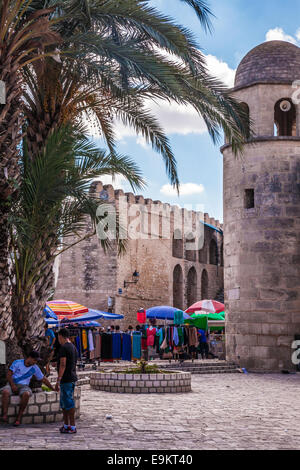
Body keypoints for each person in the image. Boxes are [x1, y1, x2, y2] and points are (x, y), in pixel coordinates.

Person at [1, 350, 55, 426]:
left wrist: (52, 388)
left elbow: (43, 379)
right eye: (34, 360)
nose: (35, 362)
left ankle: (18, 418)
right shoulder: (17, 363)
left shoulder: (35, 368)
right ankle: (4, 415)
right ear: (29, 358)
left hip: (24, 386)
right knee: (5, 392)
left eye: (36, 360)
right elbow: (9, 374)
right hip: (12, 383)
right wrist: (12, 385)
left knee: (26, 394)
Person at [55, 328, 78, 434]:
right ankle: (66, 425)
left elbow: (63, 364)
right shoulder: (73, 347)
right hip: (72, 377)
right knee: (64, 403)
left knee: (68, 402)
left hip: (66, 378)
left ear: (61, 336)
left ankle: (72, 426)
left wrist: (58, 380)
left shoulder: (64, 348)